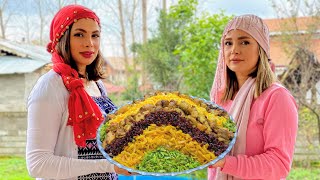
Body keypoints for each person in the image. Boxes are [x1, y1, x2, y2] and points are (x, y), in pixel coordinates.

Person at [26, 5, 131, 180]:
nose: (89, 43)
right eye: (79, 34)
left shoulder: (96, 84)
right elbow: (38, 164)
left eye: (95, 35)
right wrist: (109, 166)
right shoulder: (50, 86)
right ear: (62, 38)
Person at [208, 14, 298, 179]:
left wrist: (226, 163)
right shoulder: (221, 99)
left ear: (261, 48)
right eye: (228, 43)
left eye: (244, 42)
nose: (234, 49)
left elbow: (279, 165)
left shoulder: (277, 98)